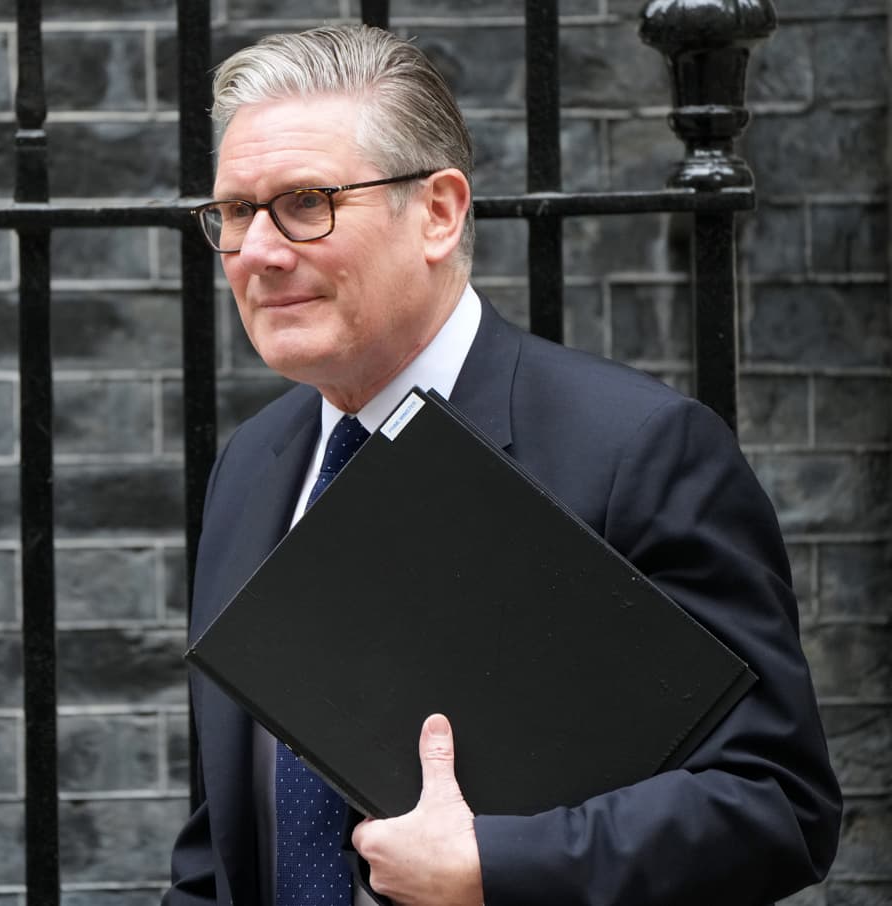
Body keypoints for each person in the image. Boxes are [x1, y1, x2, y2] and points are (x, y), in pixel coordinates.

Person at [164, 23, 842, 906]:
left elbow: (776, 803)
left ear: (439, 212)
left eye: (305, 202)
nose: (258, 251)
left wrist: (495, 865)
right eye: (234, 212)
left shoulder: (638, 451)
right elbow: (225, 839)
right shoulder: (254, 465)